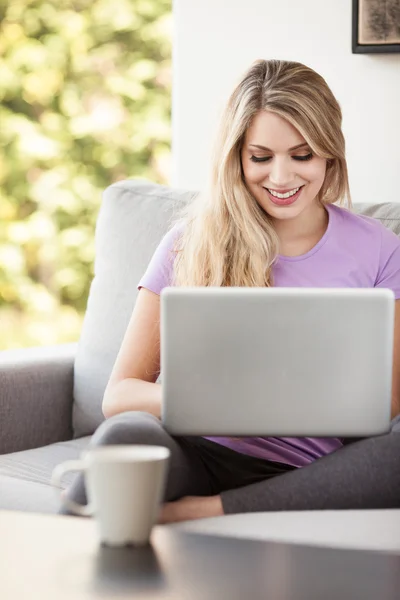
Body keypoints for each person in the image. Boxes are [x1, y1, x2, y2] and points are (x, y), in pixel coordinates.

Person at [62, 59, 400, 522]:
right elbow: (119, 394)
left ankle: (206, 512)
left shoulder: (380, 248)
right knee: (123, 441)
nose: (280, 178)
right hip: (198, 454)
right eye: (260, 157)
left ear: (329, 153)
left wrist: (292, 402)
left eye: (301, 155)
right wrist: (214, 402)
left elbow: (390, 403)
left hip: (315, 470)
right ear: (236, 156)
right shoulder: (189, 242)